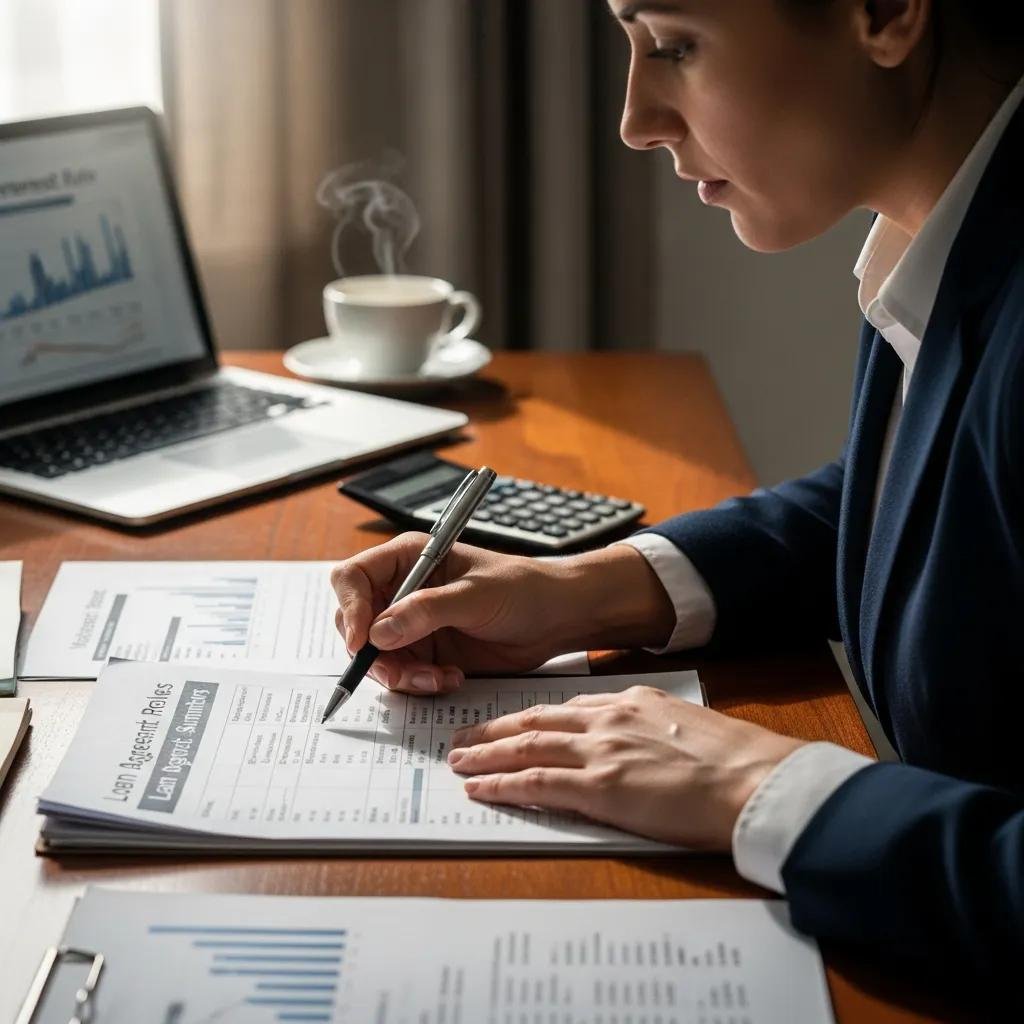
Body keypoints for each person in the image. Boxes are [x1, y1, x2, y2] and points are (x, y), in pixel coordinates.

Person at [331, 0, 1024, 999]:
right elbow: (914, 509)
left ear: (884, 14)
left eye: (674, 45)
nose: (635, 117)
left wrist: (761, 788)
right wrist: (581, 591)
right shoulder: (943, 231)